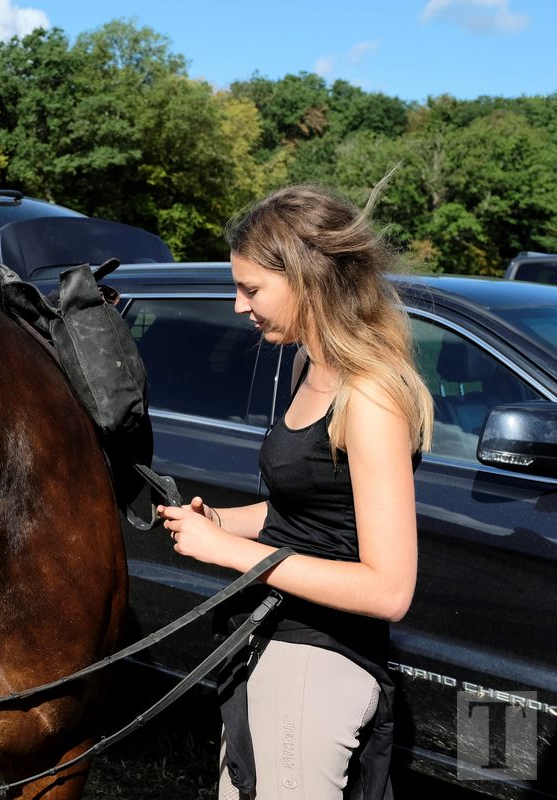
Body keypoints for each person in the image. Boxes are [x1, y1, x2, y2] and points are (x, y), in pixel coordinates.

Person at [157, 180, 433, 800]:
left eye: (251, 289)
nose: (237, 305)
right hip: (271, 644)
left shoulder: (369, 395)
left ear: (307, 278)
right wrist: (225, 523)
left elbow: (389, 589)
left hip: (318, 663)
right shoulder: (311, 365)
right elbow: (309, 509)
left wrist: (230, 554)